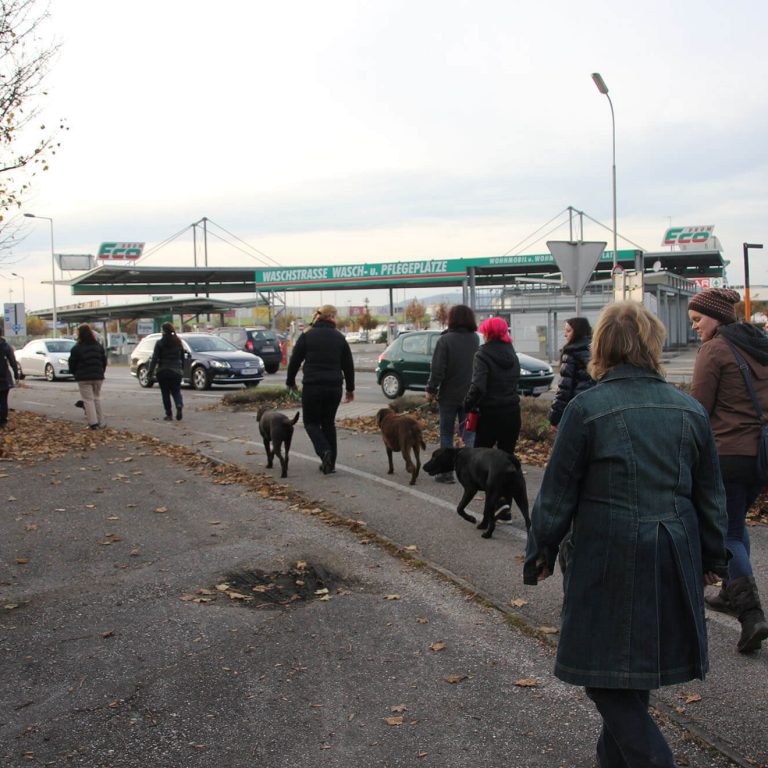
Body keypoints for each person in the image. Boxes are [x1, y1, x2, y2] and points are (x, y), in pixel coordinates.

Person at [524, 301, 728, 768]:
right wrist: (715, 559)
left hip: (606, 555)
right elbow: (710, 496)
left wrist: (541, 551)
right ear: (652, 345)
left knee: (605, 677)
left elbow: (557, 491)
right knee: (632, 677)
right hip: (673, 552)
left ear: (602, 349)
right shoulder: (689, 410)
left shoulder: (587, 408)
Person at [688, 287, 768, 653]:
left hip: (729, 454)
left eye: (697, 320)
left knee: (729, 534)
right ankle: (727, 592)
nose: (695, 328)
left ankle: (751, 614)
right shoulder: (758, 345)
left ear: (716, 317)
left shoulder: (715, 350)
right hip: (761, 456)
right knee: (736, 524)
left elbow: (699, 409)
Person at [285, 305, 354, 474]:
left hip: (313, 387)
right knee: (328, 423)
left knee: (311, 423)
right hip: (334, 388)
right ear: (332, 317)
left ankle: (324, 452)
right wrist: (350, 389)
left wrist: (290, 381)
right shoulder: (339, 337)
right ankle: (330, 465)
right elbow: (348, 365)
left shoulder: (307, 336)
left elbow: (294, 360)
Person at [425, 304, 479, 483]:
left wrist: (431, 390)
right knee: (469, 434)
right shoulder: (475, 340)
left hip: (448, 397)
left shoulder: (445, 340)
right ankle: (470, 473)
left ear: (452, 319)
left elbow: (438, 369)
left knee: (447, 434)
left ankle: (446, 473)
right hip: (471, 397)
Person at [463, 316, 521, 455]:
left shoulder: (482, 354)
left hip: (489, 415)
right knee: (506, 458)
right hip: (512, 412)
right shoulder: (512, 353)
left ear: (488, 333)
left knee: (481, 458)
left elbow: (478, 386)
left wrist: (467, 404)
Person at [548, 316, 596, 429]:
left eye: (568, 331)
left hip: (578, 409)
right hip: (596, 409)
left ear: (578, 332)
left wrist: (554, 418)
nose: (565, 335)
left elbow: (564, 390)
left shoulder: (571, 353)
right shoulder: (597, 350)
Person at [68, 323, 107, 430]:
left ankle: (93, 423)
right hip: (98, 376)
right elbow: (103, 361)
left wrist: (74, 373)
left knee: (88, 400)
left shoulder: (77, 348)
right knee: (96, 398)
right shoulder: (98, 346)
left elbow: (72, 363)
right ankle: (101, 421)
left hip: (84, 377)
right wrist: (101, 372)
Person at [147, 322, 186, 422]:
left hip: (162, 371)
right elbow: (182, 357)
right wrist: (182, 369)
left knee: (165, 393)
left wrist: (150, 373)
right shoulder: (178, 342)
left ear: (163, 331)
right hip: (176, 371)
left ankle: (169, 414)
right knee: (176, 391)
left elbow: (154, 359)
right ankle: (179, 404)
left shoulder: (159, 343)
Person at [0, 335, 20, 429]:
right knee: (3, 400)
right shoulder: (5, 346)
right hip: (4, 378)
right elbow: (13, 361)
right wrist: (16, 374)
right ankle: (3, 421)